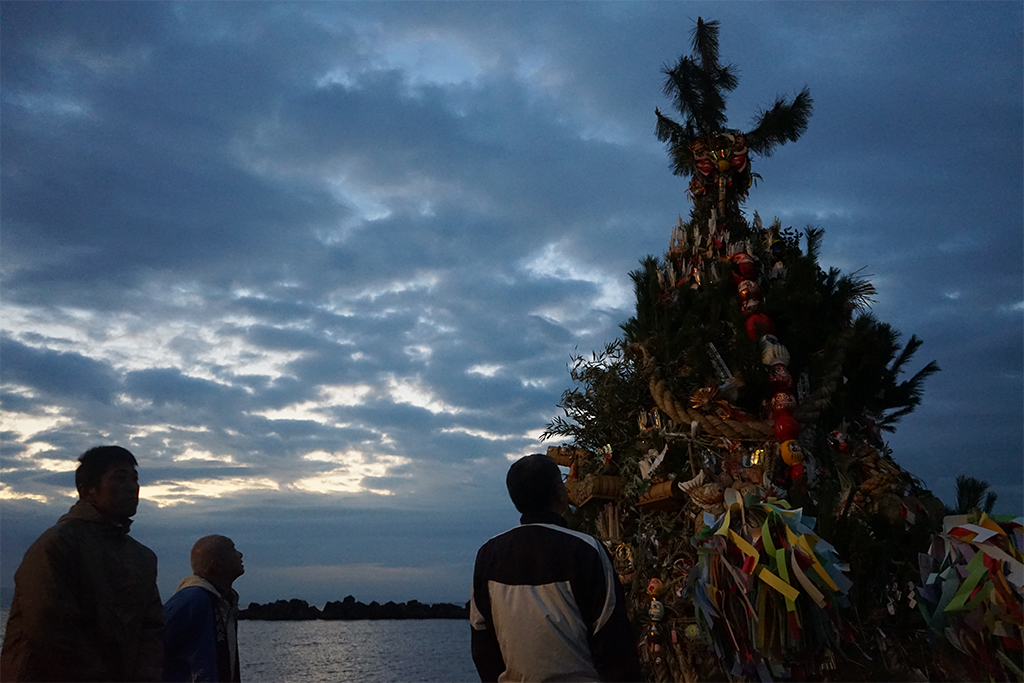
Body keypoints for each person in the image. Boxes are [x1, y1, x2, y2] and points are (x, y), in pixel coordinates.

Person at [470, 454, 642, 682]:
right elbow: (612, 637)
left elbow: (482, 639)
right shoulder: (586, 550)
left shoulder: (488, 555)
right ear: (559, 493)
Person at [0, 445, 164, 682]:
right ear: (87, 490)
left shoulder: (143, 557)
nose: (132, 487)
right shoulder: (56, 545)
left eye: (135, 479)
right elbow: (50, 629)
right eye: (119, 478)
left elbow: (152, 630)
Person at [162, 535, 244, 682]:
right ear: (216, 565)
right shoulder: (192, 599)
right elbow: (156, 646)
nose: (240, 554)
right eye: (233, 549)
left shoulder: (223, 601)